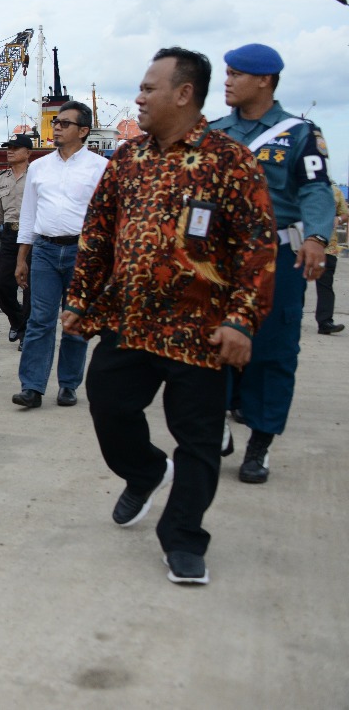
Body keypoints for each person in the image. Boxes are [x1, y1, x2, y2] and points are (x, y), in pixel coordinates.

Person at [64, 47, 276, 584]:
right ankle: (145, 471)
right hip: (131, 324)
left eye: (148, 88)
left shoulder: (230, 161)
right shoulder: (129, 160)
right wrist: (80, 300)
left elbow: (257, 246)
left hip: (200, 333)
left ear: (184, 94)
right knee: (107, 405)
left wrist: (242, 320)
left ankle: (183, 537)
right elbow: (97, 234)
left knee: (199, 441)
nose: (138, 97)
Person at [210, 43, 336, 483]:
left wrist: (317, 237)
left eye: (236, 74)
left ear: (264, 80)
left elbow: (317, 189)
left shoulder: (299, 134)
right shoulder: (214, 132)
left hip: (277, 255)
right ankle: (215, 422)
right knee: (211, 341)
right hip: (219, 257)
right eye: (226, 73)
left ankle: (260, 443)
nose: (226, 81)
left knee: (273, 349)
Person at [12, 101, 109, 408]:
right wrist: (21, 258)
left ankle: (68, 384)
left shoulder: (100, 168)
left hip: (84, 253)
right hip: (44, 250)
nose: (57, 127)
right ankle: (32, 387)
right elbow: (28, 216)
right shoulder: (39, 167)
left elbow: (108, 217)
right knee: (40, 320)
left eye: (65, 123)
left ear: (83, 131)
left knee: (74, 320)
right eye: (56, 122)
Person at [0, 134, 33, 345]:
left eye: (15, 147)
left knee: (29, 287)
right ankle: (18, 320)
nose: (9, 151)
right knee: (0, 284)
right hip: (11, 236)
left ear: (28, 153)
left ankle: (27, 334)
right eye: (8, 147)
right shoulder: (2, 178)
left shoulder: (36, 176)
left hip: (33, 235)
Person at [314, 183, 347, 334]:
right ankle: (291, 316)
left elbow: (345, 213)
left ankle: (325, 321)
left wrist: (339, 219)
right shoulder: (298, 186)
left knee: (325, 285)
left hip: (328, 246)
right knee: (296, 283)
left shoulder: (336, 191)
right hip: (299, 245)